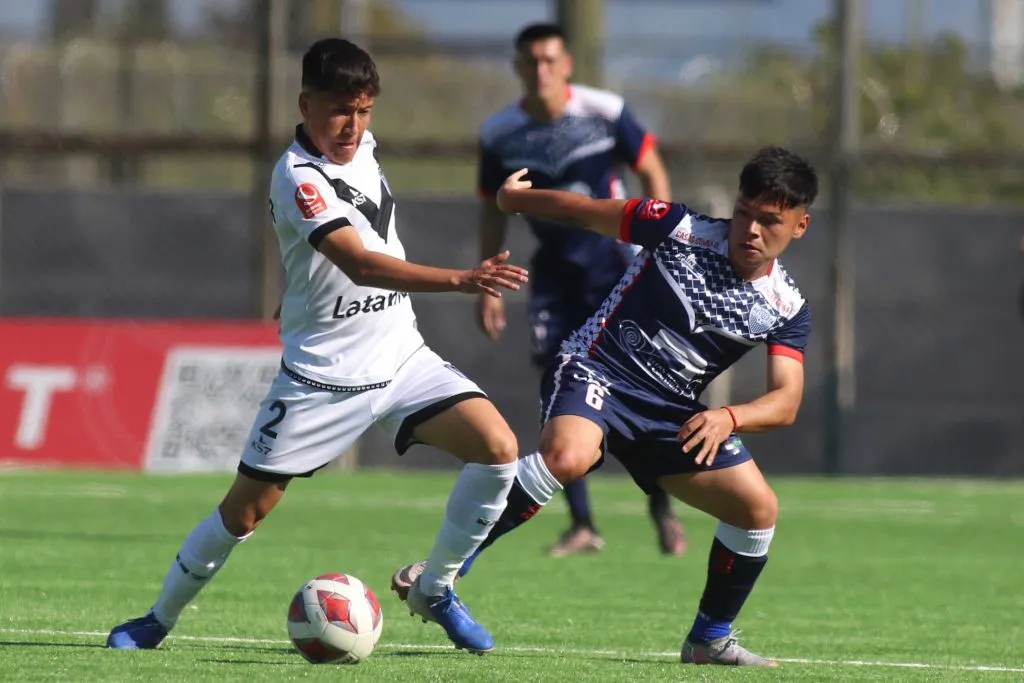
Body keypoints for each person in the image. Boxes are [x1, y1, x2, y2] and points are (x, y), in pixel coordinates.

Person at [106, 37, 532, 656]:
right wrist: (463, 280)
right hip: (321, 379)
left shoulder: (362, 149)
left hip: (400, 357)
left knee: (498, 449)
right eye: (339, 111)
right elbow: (358, 262)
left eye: (363, 112)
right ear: (305, 104)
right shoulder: (297, 176)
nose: (352, 126)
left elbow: (343, 246)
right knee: (242, 515)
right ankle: (157, 620)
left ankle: (435, 587)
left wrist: (301, 291)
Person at [396, 146, 817, 667]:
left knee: (757, 510)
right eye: (745, 212)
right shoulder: (678, 227)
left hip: (670, 412)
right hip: (598, 368)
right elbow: (581, 209)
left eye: (769, 222)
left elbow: (786, 400)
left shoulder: (787, 308)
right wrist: (513, 201)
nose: (750, 229)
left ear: (800, 226)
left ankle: (709, 640)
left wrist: (730, 416)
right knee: (568, 457)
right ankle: (441, 573)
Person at [476, 22, 686, 557]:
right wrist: (490, 284)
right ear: (518, 68)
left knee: (642, 385)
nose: (540, 70)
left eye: (550, 60)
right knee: (560, 389)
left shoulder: (606, 112)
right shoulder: (500, 133)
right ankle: (583, 524)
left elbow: (651, 169)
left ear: (566, 64)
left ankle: (662, 505)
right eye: (530, 62)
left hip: (617, 270)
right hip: (553, 275)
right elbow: (492, 207)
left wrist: (659, 246)